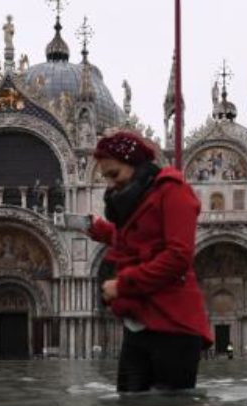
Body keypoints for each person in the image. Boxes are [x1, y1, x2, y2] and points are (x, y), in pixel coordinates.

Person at [87, 131, 213, 392]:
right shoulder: (137, 197)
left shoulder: (173, 191)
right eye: (105, 178)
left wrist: (122, 286)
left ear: (135, 165)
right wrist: (101, 230)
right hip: (139, 321)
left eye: (115, 175)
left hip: (174, 324)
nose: (110, 185)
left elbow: (177, 257)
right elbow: (142, 240)